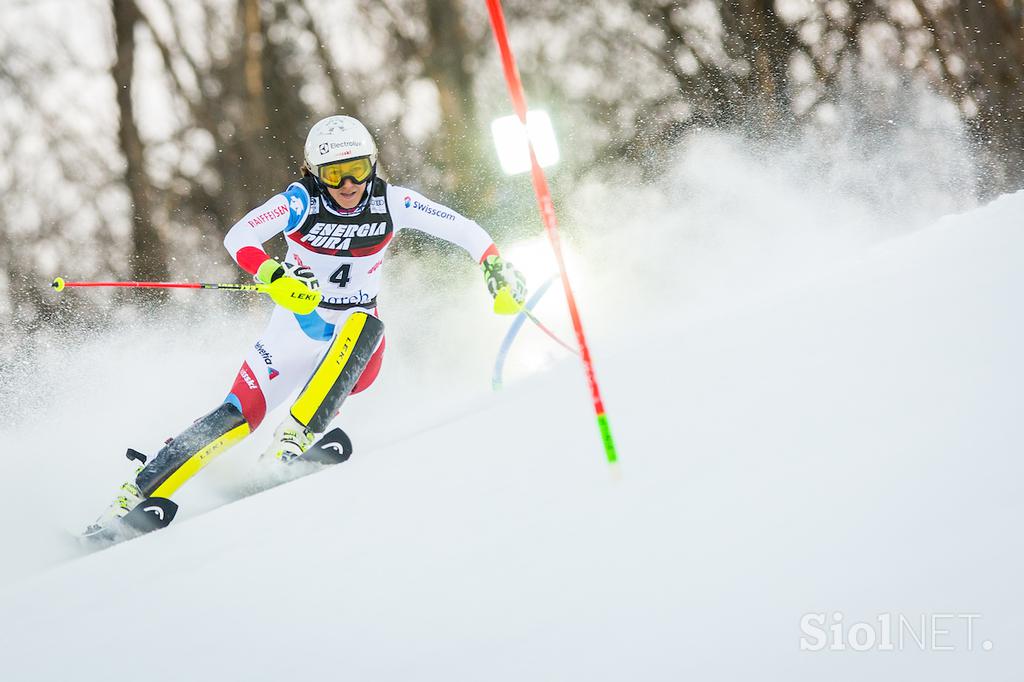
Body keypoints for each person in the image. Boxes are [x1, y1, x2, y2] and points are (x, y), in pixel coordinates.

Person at [84, 115, 526, 540]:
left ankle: (294, 438)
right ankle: (132, 496)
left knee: (364, 321)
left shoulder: (391, 202)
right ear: (314, 173)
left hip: (357, 342)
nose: (349, 186)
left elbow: (464, 230)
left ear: (371, 165)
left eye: (356, 171)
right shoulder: (300, 202)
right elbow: (239, 237)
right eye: (335, 175)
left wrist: (494, 267)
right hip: (294, 332)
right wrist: (275, 276)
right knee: (236, 416)